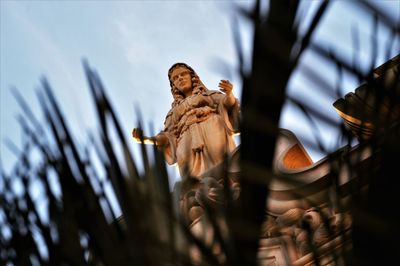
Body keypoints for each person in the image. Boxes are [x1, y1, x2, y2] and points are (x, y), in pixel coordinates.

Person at [132, 63, 240, 178]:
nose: (180, 78)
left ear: (192, 77)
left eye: (183, 74)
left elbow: (228, 104)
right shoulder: (172, 113)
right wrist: (146, 139)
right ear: (173, 85)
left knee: (224, 172)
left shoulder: (209, 95)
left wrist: (229, 93)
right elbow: (167, 137)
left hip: (213, 131)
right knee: (193, 185)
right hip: (186, 143)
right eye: (175, 78)